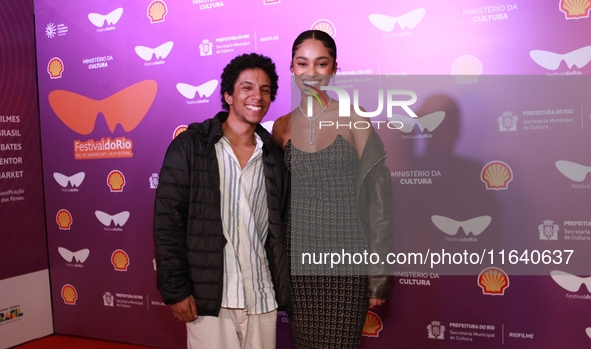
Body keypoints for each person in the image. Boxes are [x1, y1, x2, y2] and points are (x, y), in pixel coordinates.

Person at [153, 53, 290, 349]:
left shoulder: (273, 155)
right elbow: (168, 224)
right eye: (247, 87)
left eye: (265, 90)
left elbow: (279, 228)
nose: (257, 96)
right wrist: (176, 290)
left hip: (261, 296)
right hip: (211, 299)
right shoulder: (191, 147)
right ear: (228, 95)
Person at [272, 30, 394, 348]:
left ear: (334, 69)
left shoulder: (355, 119)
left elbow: (379, 202)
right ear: (292, 67)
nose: (311, 73)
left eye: (321, 63)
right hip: (298, 262)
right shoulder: (281, 126)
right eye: (302, 63)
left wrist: (379, 273)